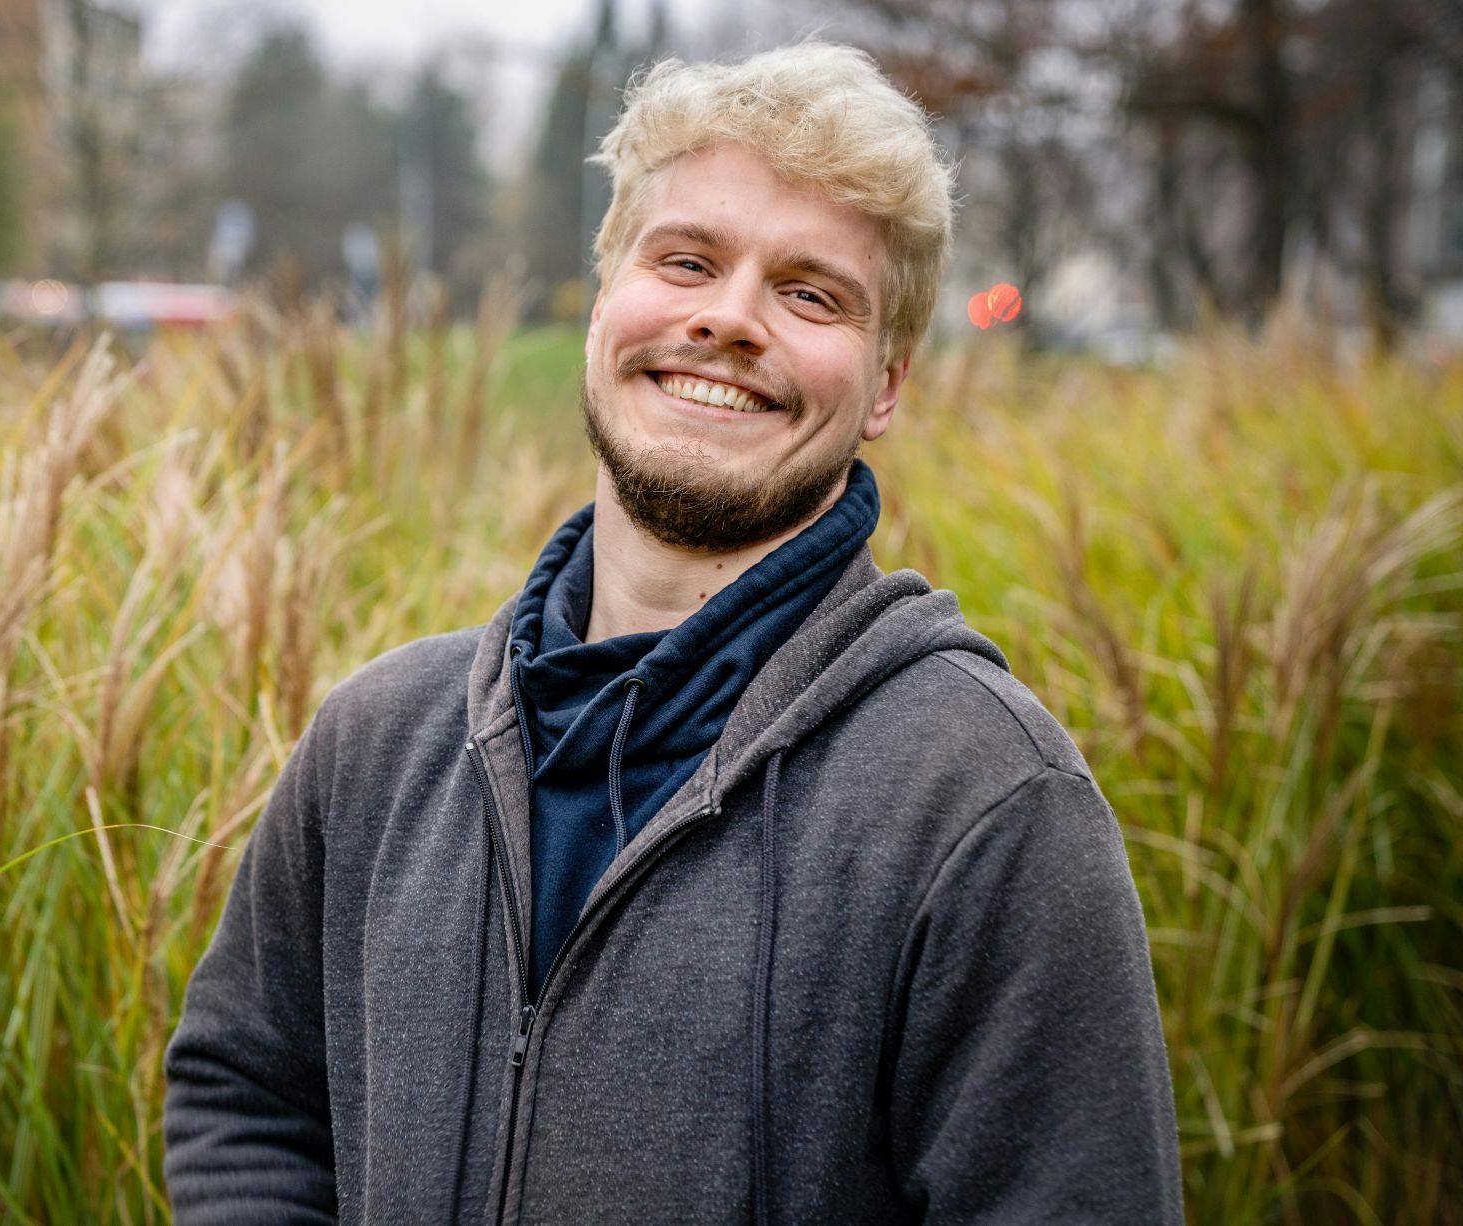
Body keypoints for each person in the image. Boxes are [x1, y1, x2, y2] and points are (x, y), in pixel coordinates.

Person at [162, 41, 1182, 1225]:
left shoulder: (985, 801)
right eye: (686, 259)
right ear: (607, 301)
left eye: (809, 293)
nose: (727, 319)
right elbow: (249, 1092)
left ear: (888, 383)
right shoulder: (378, 743)